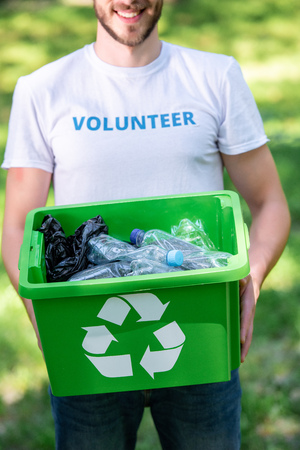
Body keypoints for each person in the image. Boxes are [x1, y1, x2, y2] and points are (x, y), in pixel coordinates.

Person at [1, 1, 290, 449]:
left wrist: (250, 279)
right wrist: (41, 313)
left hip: (200, 331)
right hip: (88, 335)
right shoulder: (44, 89)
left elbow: (270, 202)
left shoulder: (215, 77)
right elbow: (18, 227)